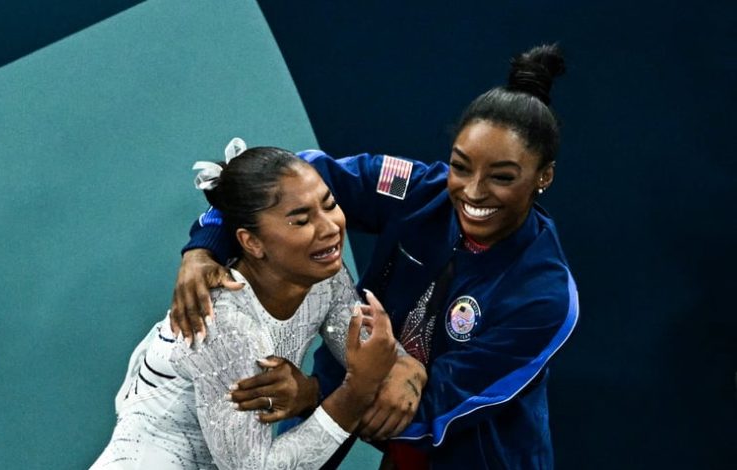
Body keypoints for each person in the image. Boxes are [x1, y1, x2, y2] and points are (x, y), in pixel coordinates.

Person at [173, 44, 579, 469]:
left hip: (463, 452)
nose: (473, 192)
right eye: (460, 166)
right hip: (347, 397)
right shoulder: (417, 190)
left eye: (502, 177)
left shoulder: (545, 295)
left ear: (543, 176)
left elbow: (434, 412)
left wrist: (312, 395)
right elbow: (280, 178)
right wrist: (206, 244)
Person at [91, 146, 411, 469]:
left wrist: (403, 367)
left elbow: (372, 356)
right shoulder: (227, 322)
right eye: (301, 221)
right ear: (252, 243)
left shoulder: (324, 278)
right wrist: (355, 393)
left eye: (330, 205)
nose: (329, 228)